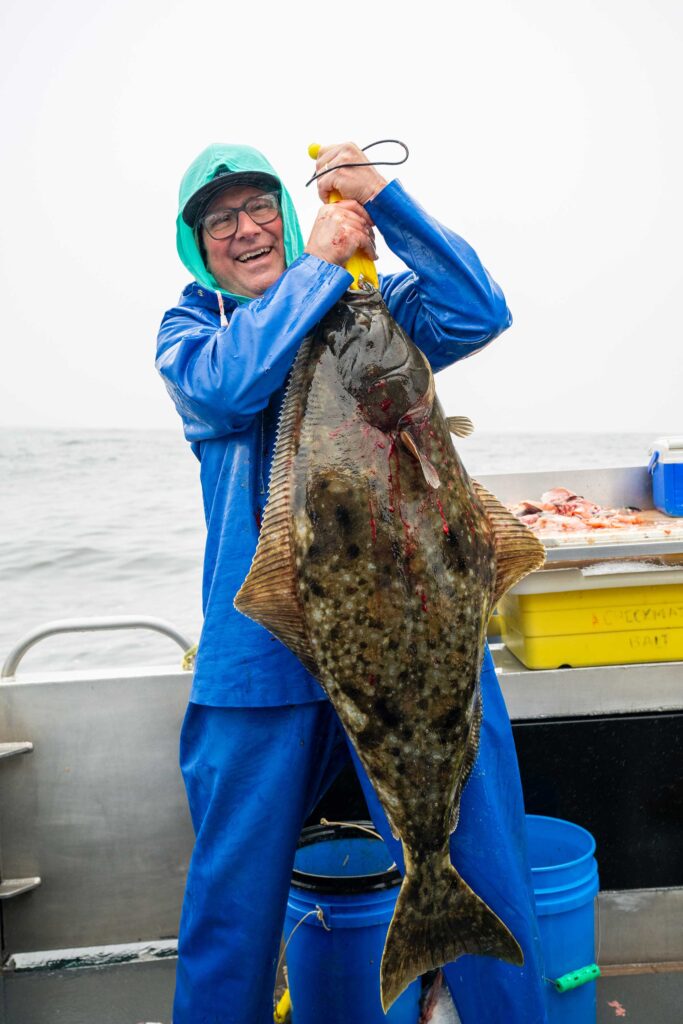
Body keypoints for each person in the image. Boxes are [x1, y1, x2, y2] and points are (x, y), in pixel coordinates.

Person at [157, 141, 548, 1024]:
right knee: (233, 898)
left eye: (261, 208)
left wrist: (387, 201)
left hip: (419, 633)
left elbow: (477, 309)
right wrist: (318, 269)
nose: (247, 229)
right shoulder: (194, 332)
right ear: (196, 245)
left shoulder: (371, 304)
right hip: (261, 654)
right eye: (221, 220)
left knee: (485, 864)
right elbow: (226, 390)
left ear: (288, 218)